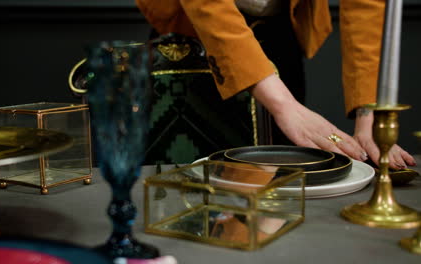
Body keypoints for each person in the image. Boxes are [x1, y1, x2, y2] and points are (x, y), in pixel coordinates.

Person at [135, 0, 415, 169]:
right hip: (193, 34)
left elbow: (365, 7)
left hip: (281, 33)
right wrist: (283, 104)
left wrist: (368, 117)